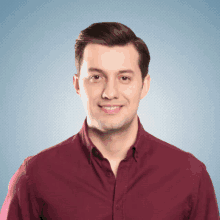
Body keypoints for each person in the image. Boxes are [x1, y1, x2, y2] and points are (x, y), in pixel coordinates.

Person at [0, 22, 219, 220]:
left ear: (144, 85)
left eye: (124, 78)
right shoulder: (35, 175)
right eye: (96, 77)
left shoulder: (190, 175)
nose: (110, 93)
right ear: (77, 85)